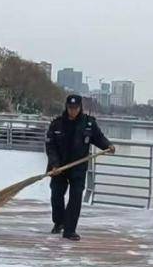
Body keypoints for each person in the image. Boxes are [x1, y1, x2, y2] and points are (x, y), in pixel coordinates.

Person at [44, 94, 114, 240]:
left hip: (78, 167)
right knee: (56, 195)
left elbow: (98, 138)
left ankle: (69, 230)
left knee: (76, 197)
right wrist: (55, 164)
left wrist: (108, 145)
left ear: (80, 107)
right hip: (59, 167)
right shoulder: (57, 124)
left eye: (75, 108)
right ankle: (59, 222)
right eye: (70, 108)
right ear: (66, 107)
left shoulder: (88, 123)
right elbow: (50, 147)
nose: (73, 111)